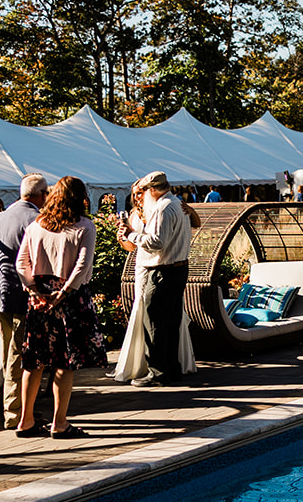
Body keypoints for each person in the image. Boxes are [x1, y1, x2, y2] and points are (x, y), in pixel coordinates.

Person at [14, 175, 106, 439]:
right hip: (70, 300)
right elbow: (82, 266)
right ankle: (60, 422)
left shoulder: (36, 225)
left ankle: (26, 420)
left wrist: (34, 291)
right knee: (65, 361)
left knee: (34, 360)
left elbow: (21, 263)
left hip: (39, 299)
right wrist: (61, 294)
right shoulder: (84, 227)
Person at [0, 173, 45, 429]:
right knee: (19, 355)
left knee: (9, 349)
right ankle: (15, 414)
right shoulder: (36, 220)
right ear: (41, 195)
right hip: (21, 293)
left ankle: (15, 408)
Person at [114, 184, 197, 382]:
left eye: (140, 193)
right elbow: (130, 246)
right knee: (151, 316)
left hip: (158, 266)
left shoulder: (162, 210)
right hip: (145, 266)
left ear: (149, 192)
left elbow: (157, 242)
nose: (137, 198)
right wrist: (122, 237)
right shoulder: (136, 214)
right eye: (134, 195)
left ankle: (160, 368)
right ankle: (157, 365)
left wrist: (192, 211)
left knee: (156, 319)